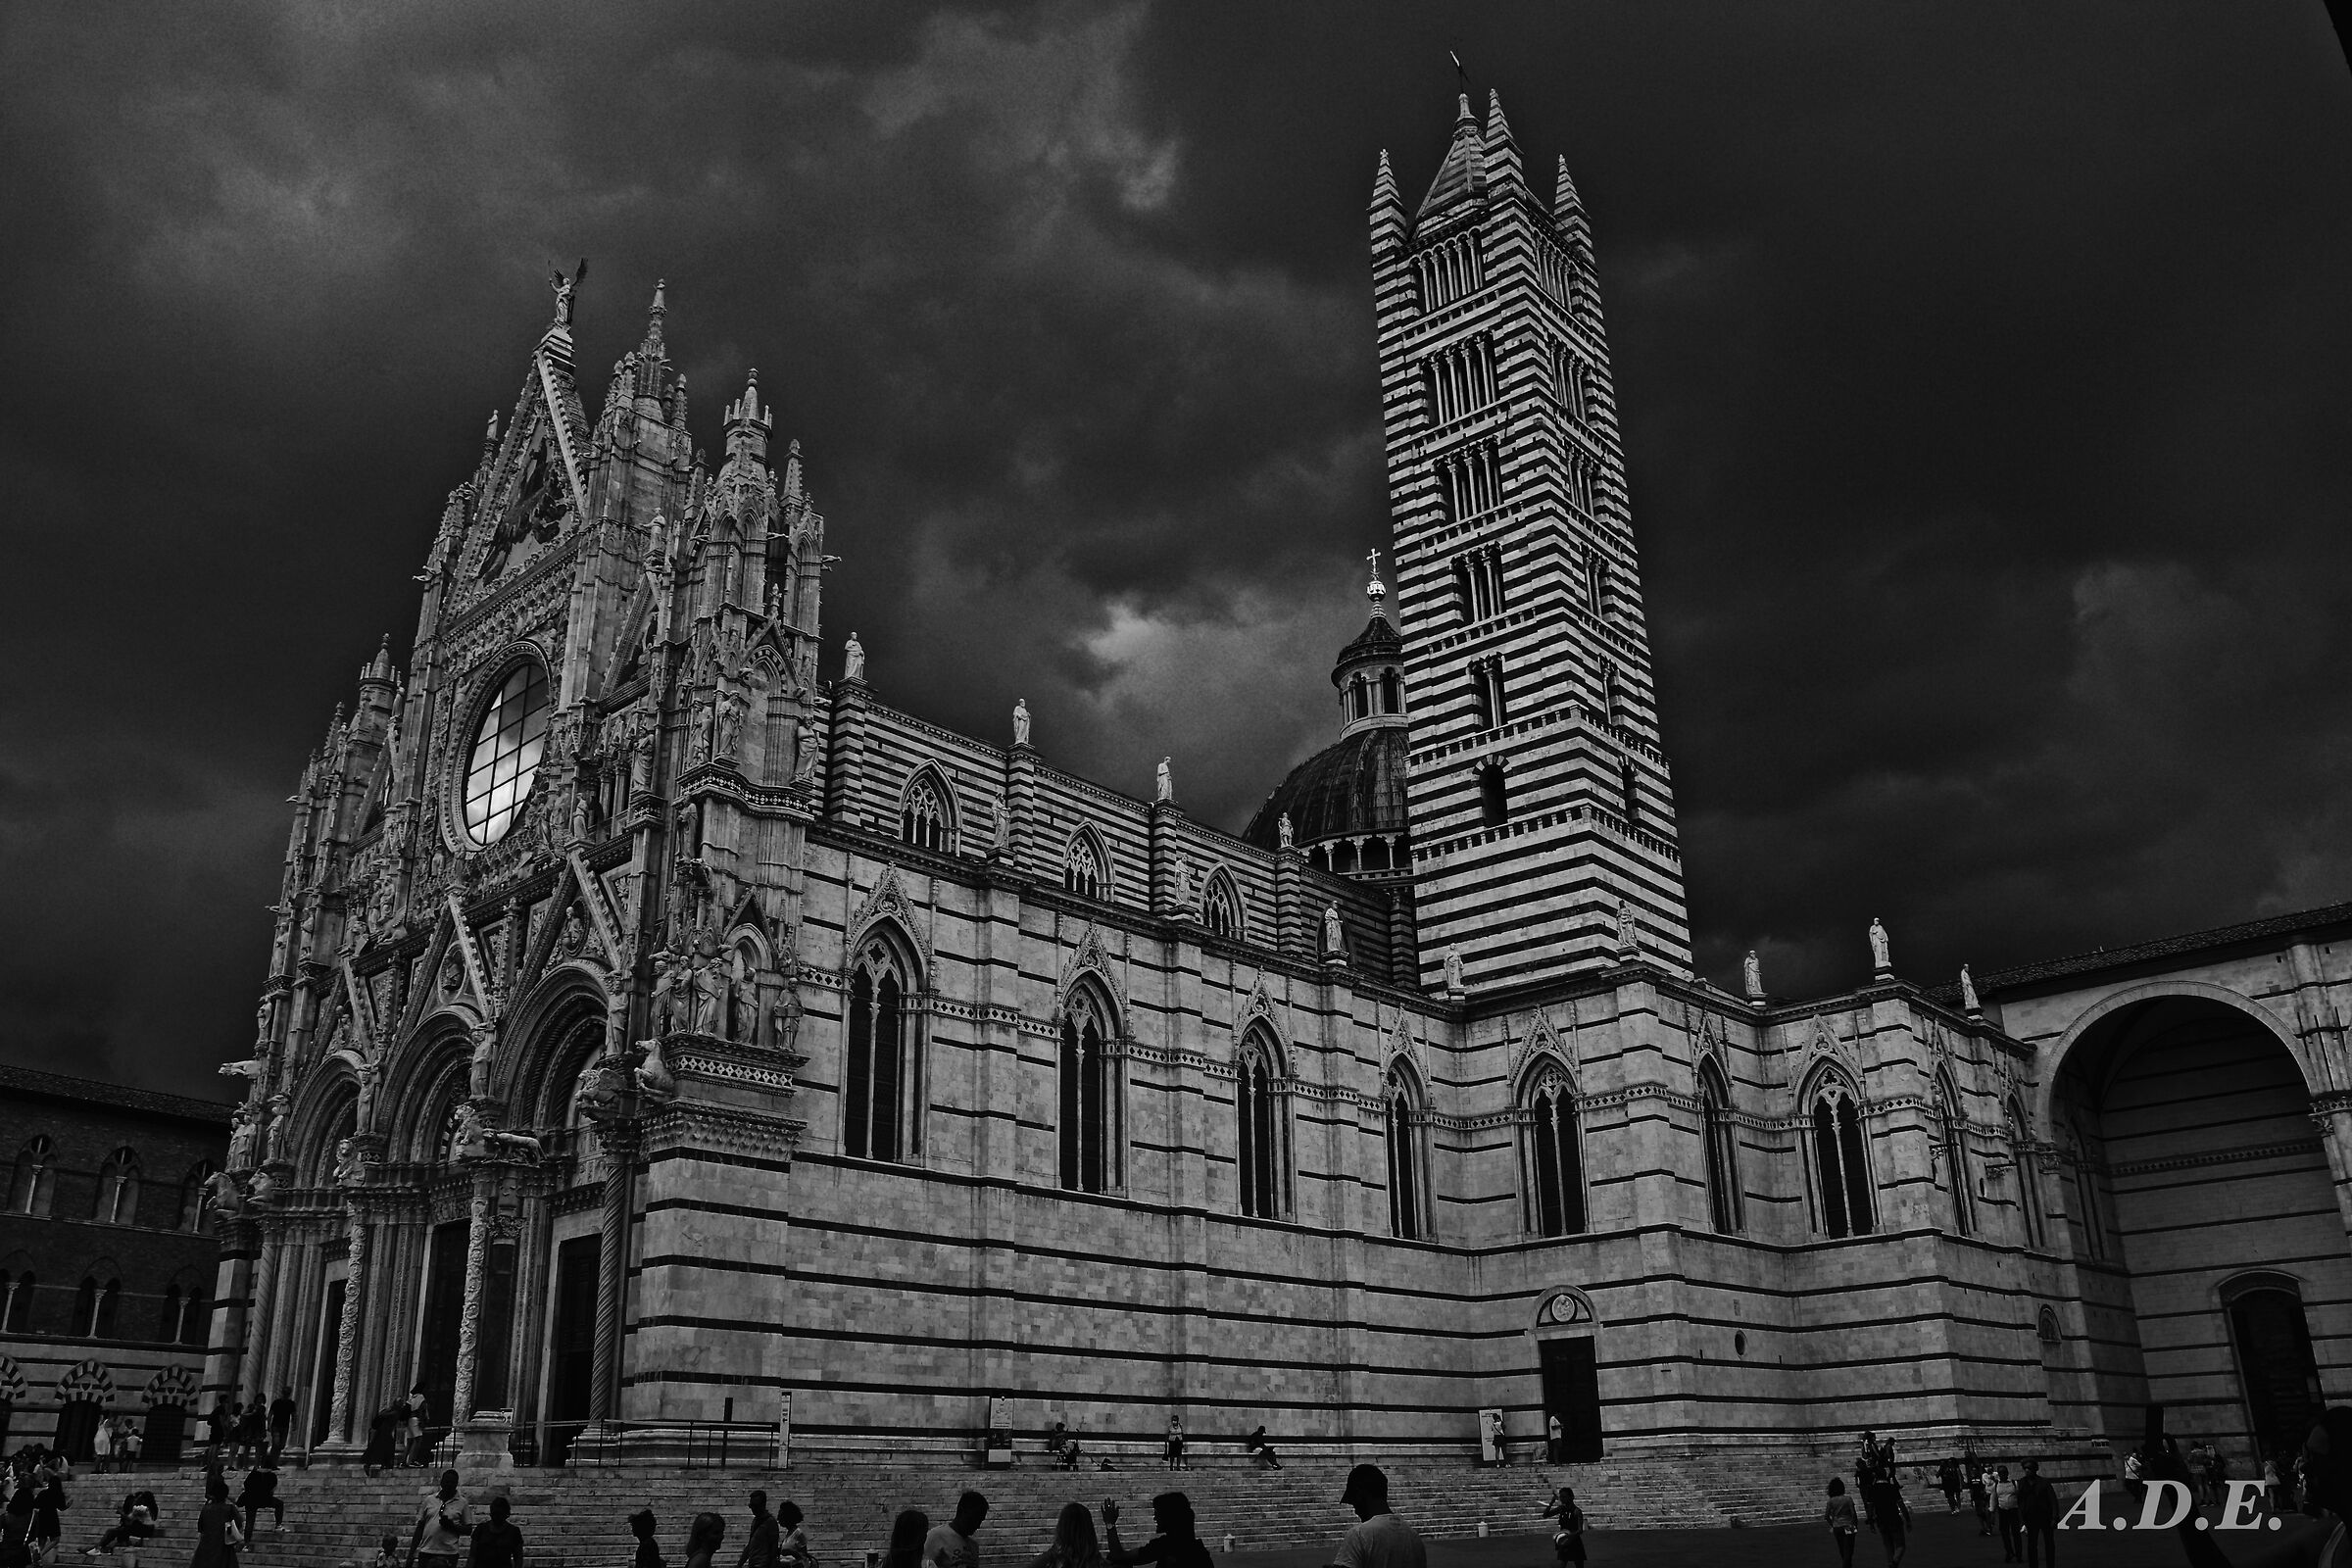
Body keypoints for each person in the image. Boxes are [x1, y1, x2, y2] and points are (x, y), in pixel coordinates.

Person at [1324, 1466, 1424, 1568]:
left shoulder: (1359, 1535)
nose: (1356, 1511)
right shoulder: (1413, 1537)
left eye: (1354, 1502)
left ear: (1360, 1494)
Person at [1101, 1494, 1208, 1568]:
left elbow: (1118, 1556)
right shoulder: (1198, 1549)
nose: (1155, 1518)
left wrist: (1110, 1524)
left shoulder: (1165, 1545)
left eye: (1157, 1513)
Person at [408, 1469, 471, 1568]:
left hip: (449, 1552)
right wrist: (411, 1552)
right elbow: (420, 1527)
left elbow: (468, 1529)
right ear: (441, 1482)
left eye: (452, 1482)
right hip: (427, 1550)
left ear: (456, 1484)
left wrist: (452, 1526)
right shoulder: (429, 1500)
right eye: (446, 1482)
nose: (449, 1485)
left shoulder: (463, 1503)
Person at [1023, 1503, 1103, 1568]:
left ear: (1061, 1529)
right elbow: (1115, 1560)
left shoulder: (1045, 1562)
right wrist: (1110, 1527)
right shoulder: (1099, 1563)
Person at [922, 1494, 986, 1568]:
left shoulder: (974, 1546)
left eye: (980, 1521)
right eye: (974, 1520)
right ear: (962, 1512)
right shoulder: (935, 1536)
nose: (977, 1526)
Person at [2015, 1459, 2058, 1568]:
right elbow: (2020, 1503)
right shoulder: (2021, 1483)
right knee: (2031, 1545)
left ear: (2035, 1469)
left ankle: (2050, 1565)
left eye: (2029, 1468)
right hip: (2030, 1518)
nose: (2027, 1471)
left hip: (2045, 1517)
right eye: (2025, 1469)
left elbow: (2053, 1500)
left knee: (2049, 1544)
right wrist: (2022, 1521)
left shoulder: (2044, 1482)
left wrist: (2054, 1517)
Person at [188, 1479, 238, 1568]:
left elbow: (201, 1528)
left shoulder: (206, 1509)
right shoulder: (229, 1509)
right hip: (223, 1546)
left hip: (206, 1546)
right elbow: (239, 1524)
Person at [468, 1496, 522, 1568]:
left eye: (499, 1514)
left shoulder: (514, 1531)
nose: (497, 1517)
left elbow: (518, 1558)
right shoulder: (481, 1529)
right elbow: (472, 1556)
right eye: (495, 1514)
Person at [235, 1464, 283, 1543]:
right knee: (279, 1504)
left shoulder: (253, 1474)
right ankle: (278, 1524)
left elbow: (246, 1485)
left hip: (251, 1499)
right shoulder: (271, 1475)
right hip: (265, 1499)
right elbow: (272, 1488)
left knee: (249, 1522)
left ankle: (246, 1543)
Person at [1539, 1487, 1585, 1567]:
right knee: (1563, 1563)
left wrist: (1569, 1536)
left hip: (1574, 1540)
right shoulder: (1561, 1509)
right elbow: (1545, 1515)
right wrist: (1551, 1502)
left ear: (1571, 1497)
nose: (1562, 1499)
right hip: (1564, 1540)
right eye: (1561, 1497)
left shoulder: (1577, 1511)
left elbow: (1580, 1530)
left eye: (1564, 1497)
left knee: (1578, 1564)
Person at [1824, 1478, 1859, 1568]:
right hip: (1849, 1524)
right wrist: (1855, 1524)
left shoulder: (1831, 1501)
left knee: (1842, 1549)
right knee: (1849, 1550)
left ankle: (1847, 1565)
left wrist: (1832, 1524)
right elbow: (1853, 1514)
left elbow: (1826, 1516)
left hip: (1837, 1526)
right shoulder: (1848, 1499)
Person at [735, 1493, 777, 1568]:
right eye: (751, 1506)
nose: (753, 1509)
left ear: (762, 1505)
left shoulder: (770, 1522)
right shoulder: (755, 1521)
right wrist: (739, 1564)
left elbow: (773, 1547)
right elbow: (750, 1544)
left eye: (755, 1506)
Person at [362, 1403, 400, 1478]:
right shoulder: (393, 1413)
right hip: (384, 1432)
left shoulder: (387, 1411)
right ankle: (384, 1464)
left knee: (379, 1448)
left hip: (382, 1432)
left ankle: (384, 1464)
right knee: (382, 1448)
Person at [1991, 1466, 2020, 1562]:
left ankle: (2018, 1553)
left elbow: (2019, 1496)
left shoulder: (2014, 1483)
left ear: (2007, 1473)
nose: (2002, 1474)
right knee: (2005, 1534)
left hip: (2014, 1510)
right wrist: (1992, 1511)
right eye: (2001, 1473)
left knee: (2016, 1533)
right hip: (2003, 1511)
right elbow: (1994, 1498)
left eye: (2004, 1472)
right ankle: (2009, 1552)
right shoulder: (1996, 1485)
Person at [772, 1503, 810, 1568]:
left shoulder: (798, 1533)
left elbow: (804, 1557)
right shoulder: (787, 1534)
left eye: (781, 1516)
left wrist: (792, 1553)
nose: (778, 1519)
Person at [266, 1392, 295, 1468]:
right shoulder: (277, 1402)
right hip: (276, 1426)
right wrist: (268, 1424)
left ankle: (274, 1463)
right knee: (276, 1444)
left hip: (284, 1426)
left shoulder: (290, 1403)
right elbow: (270, 1413)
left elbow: (294, 1414)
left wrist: (294, 1424)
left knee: (281, 1445)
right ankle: (271, 1462)